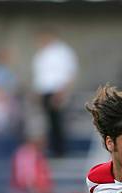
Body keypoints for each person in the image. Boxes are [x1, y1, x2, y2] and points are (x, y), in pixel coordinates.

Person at [31, 29, 78, 157]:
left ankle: (60, 150)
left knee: (58, 121)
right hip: (45, 91)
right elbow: (41, 75)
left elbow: (69, 72)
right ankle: (52, 148)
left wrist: (62, 91)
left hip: (57, 91)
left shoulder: (62, 52)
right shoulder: (41, 53)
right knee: (48, 121)